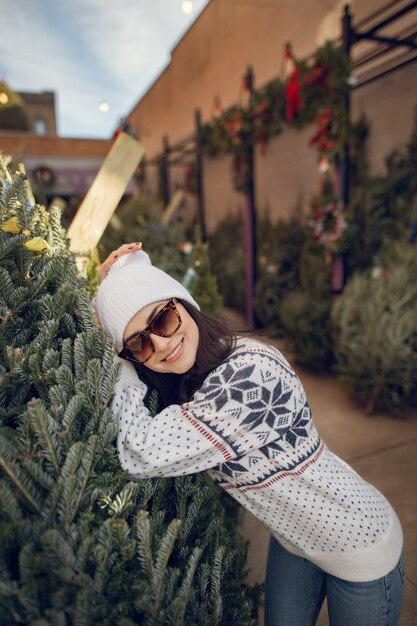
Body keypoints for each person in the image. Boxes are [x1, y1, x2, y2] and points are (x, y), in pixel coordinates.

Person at [94, 244, 405, 626]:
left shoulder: (250, 375)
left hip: (359, 544)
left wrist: (118, 363)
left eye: (163, 319)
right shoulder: (197, 375)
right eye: (138, 342)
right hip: (294, 540)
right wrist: (104, 306)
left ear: (185, 304)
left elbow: (139, 451)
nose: (160, 344)